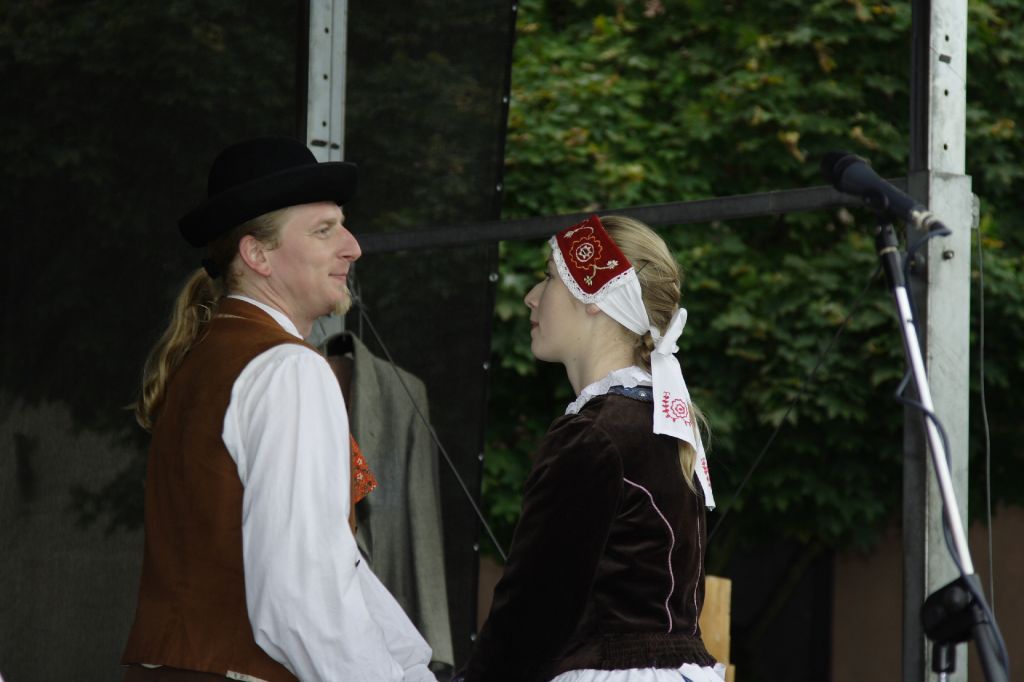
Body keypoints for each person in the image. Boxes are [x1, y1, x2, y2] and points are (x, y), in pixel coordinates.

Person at [121, 136, 436, 682]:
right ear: (257, 255)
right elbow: (303, 597)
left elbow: (331, 566)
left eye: (343, 226)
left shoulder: (206, 357)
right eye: (324, 230)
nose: (353, 247)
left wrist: (408, 667)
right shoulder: (288, 370)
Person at [459, 215, 724, 682]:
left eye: (550, 277)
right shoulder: (658, 421)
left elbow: (534, 606)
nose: (532, 296)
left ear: (596, 296)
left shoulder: (597, 434)